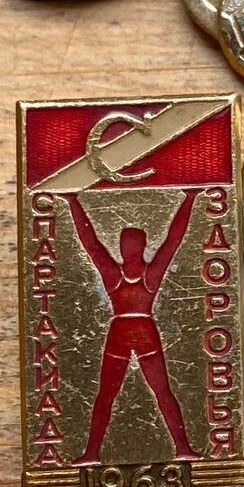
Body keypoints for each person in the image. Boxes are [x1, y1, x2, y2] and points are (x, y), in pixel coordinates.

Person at [67, 189, 200, 464]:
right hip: (125, 334)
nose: (127, 251)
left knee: (160, 392)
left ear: (139, 248)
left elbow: (173, 240)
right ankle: (92, 453)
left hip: (140, 334)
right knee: (108, 396)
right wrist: (73, 204)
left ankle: (183, 448)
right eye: (125, 246)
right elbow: (90, 243)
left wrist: (189, 200)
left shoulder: (141, 276)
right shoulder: (120, 275)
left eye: (130, 246)